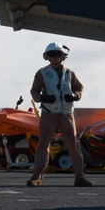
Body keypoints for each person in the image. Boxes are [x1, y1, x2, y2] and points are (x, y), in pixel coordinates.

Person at [26, 42, 92, 187]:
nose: (55, 57)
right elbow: (34, 91)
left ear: (63, 56)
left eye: (58, 54)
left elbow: (79, 87)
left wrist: (75, 96)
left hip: (66, 113)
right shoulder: (42, 72)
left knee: (73, 145)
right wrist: (42, 98)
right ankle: (36, 177)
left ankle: (79, 177)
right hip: (49, 113)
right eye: (52, 54)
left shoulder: (70, 72)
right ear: (47, 57)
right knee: (43, 144)